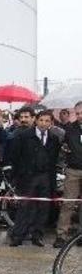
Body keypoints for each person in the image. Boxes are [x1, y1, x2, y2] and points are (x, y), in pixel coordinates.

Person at [7, 111, 60, 247]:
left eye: (47, 121)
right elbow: (15, 156)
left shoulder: (54, 138)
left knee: (43, 207)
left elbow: (54, 160)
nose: (44, 123)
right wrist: (18, 176)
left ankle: (37, 235)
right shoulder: (24, 136)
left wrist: (51, 181)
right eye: (41, 120)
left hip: (46, 177)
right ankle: (18, 235)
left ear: (51, 123)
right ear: (36, 120)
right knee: (25, 206)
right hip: (28, 177)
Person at [55, 101, 82, 248]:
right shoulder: (70, 129)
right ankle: (61, 235)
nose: (79, 116)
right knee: (68, 204)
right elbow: (63, 147)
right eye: (77, 113)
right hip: (73, 170)